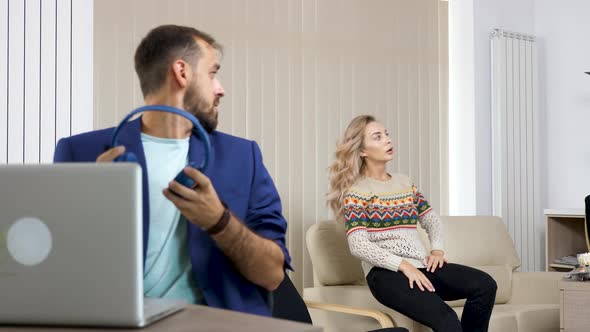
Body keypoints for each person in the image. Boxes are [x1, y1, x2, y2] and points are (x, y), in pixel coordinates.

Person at [53, 25, 291, 316]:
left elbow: (272, 275)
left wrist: (220, 222)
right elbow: (56, 271)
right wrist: (92, 206)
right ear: (182, 72)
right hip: (117, 321)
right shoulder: (82, 154)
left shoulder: (244, 157)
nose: (221, 89)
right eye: (213, 73)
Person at [327, 115, 497, 332]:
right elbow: (358, 244)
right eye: (378, 137)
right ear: (362, 151)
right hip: (385, 274)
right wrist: (403, 265)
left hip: (421, 265)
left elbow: (431, 220)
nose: (388, 140)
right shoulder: (357, 191)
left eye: (386, 134)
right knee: (447, 320)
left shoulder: (404, 183)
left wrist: (437, 250)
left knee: (485, 285)